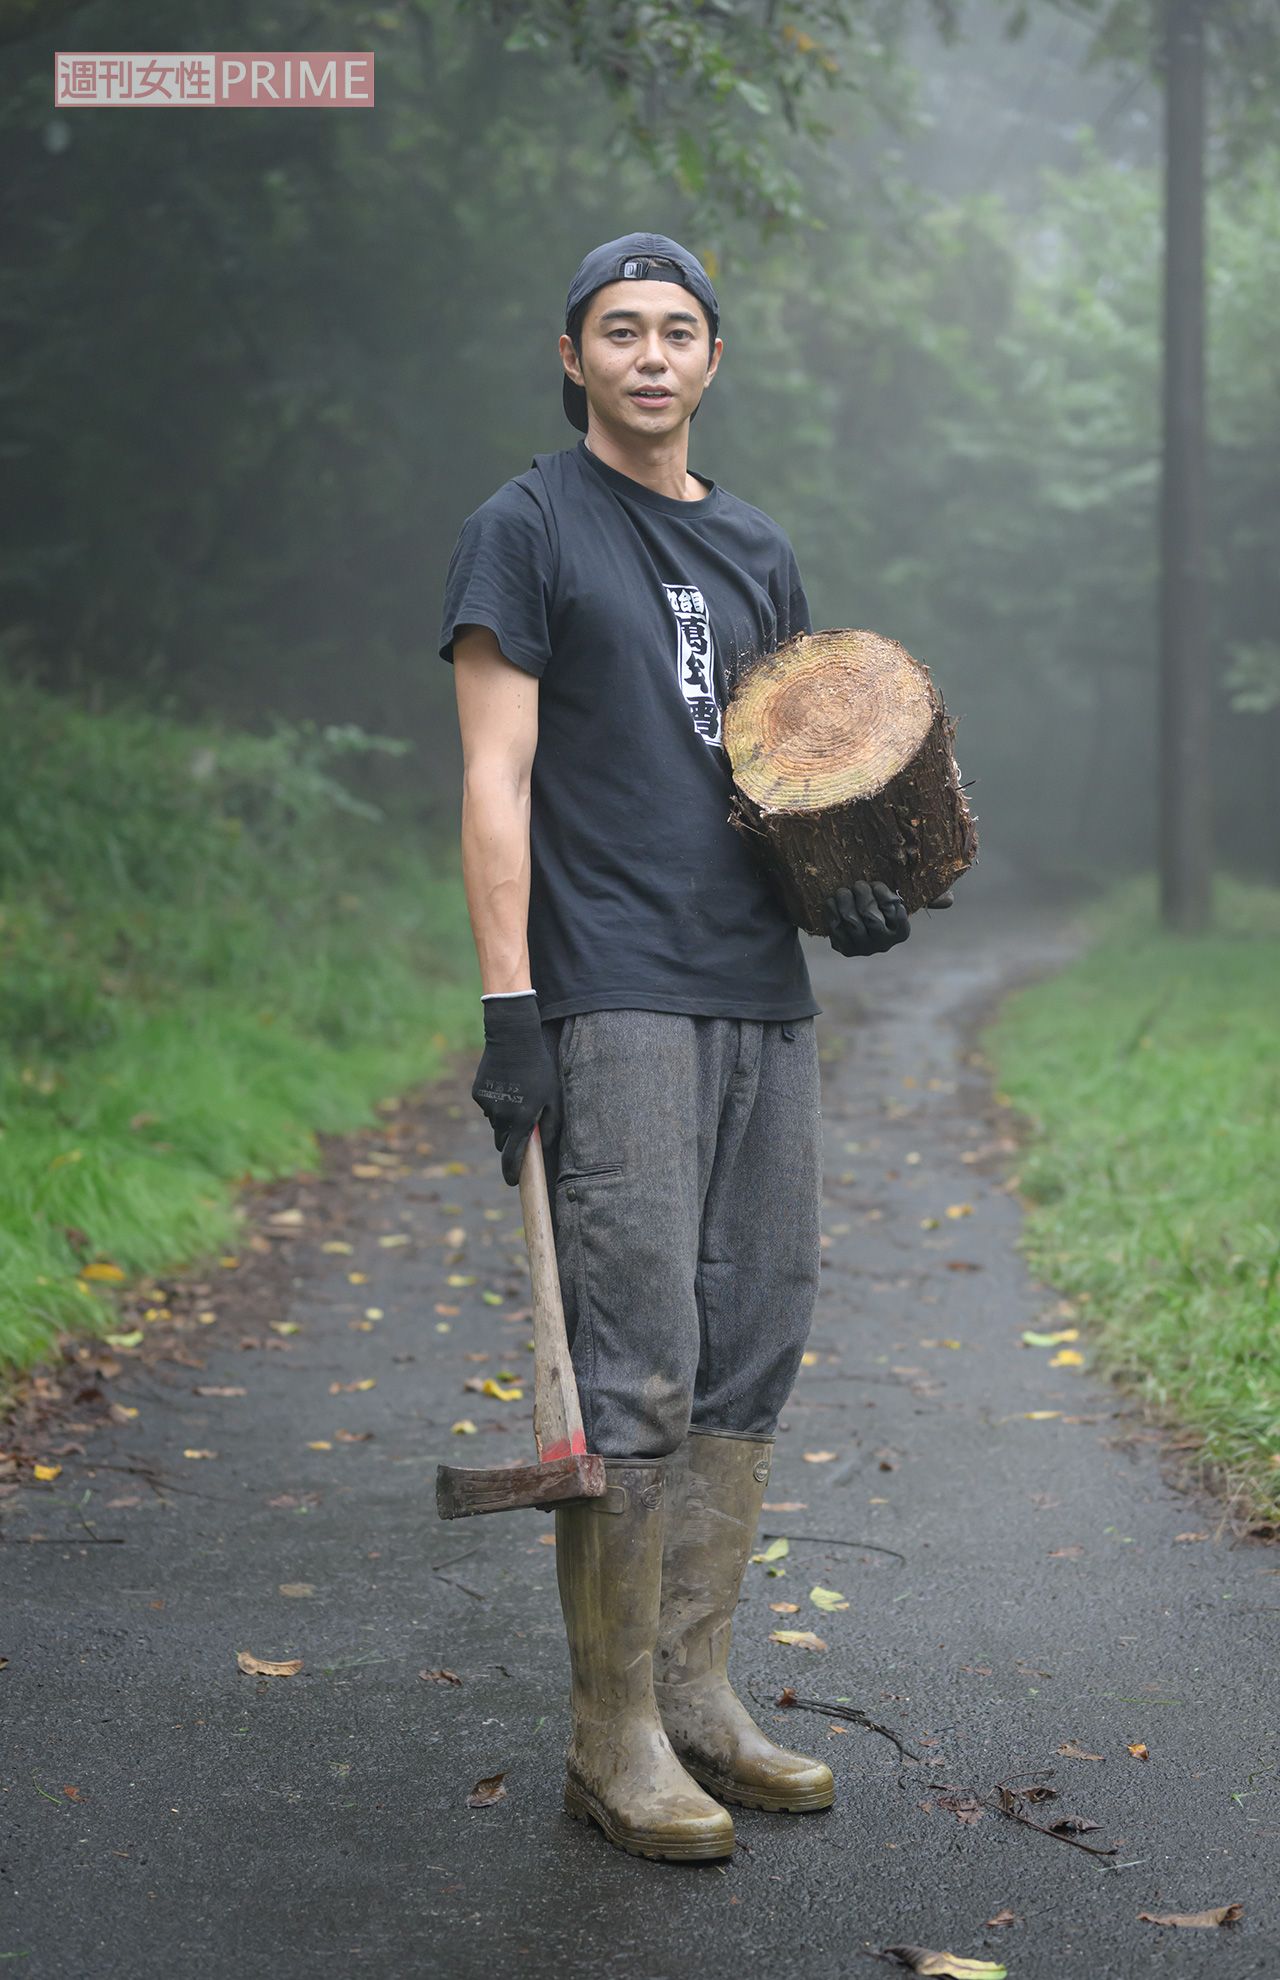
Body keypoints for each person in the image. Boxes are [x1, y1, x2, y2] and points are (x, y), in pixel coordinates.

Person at [439, 231, 952, 1862]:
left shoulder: (755, 548)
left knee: (758, 1338)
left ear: (713, 360)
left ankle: (701, 1695)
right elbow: (494, 776)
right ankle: (614, 1736)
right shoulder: (522, 529)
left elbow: (778, 780)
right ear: (573, 354)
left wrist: (842, 897)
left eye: (678, 330)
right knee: (640, 1357)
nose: (651, 355)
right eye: (619, 330)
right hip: (617, 991)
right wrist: (511, 1003)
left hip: (757, 995)